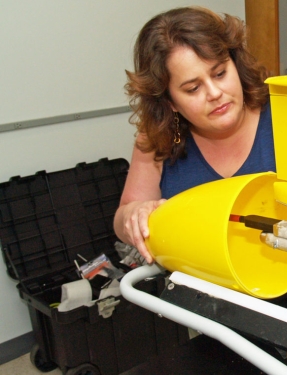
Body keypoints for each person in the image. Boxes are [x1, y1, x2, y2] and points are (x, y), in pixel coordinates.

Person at [114, 6, 275, 264]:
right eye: (192, 88)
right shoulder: (159, 137)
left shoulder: (283, 117)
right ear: (170, 102)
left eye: (220, 73)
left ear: (235, 62)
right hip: (198, 290)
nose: (214, 93)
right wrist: (134, 215)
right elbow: (122, 220)